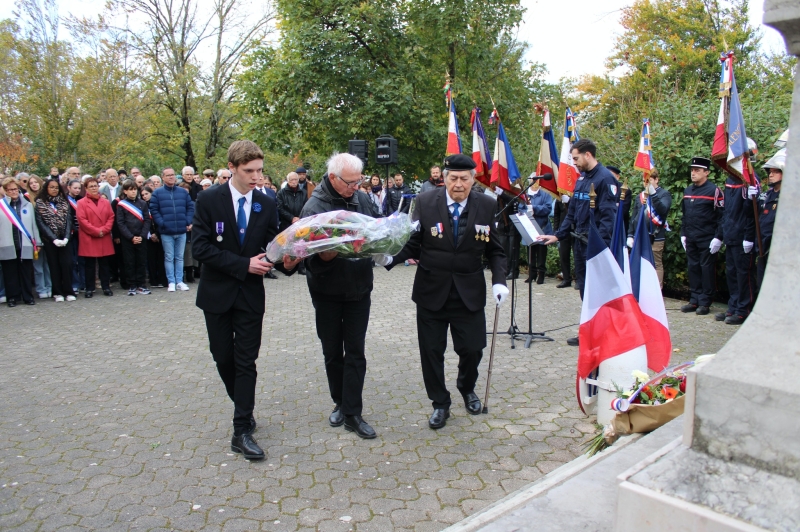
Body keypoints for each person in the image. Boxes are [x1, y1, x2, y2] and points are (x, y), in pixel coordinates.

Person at [377, 154, 508, 429]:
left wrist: (499, 280)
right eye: (453, 178)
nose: (458, 184)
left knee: (473, 349)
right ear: (444, 178)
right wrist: (391, 258)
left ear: (473, 179)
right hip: (431, 291)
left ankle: (466, 386)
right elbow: (414, 243)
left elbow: (495, 249)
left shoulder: (487, 204)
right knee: (431, 352)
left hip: (469, 292)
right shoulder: (425, 202)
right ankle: (440, 403)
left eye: (464, 178)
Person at [193, 140, 299, 460]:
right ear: (232, 169)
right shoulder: (209, 199)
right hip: (217, 294)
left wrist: (290, 258)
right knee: (223, 357)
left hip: (251, 296)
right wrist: (243, 265)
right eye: (249, 171)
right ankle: (243, 405)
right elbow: (201, 249)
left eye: (260, 171)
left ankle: (241, 429)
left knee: (245, 361)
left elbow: (272, 245)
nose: (257, 177)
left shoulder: (266, 203)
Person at [300, 153, 380, 439]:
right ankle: (339, 401)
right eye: (350, 183)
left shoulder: (363, 199)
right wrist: (327, 255)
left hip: (360, 288)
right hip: (327, 291)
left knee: (356, 351)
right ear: (333, 178)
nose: (355, 187)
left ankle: (353, 412)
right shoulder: (314, 206)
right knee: (333, 352)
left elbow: (376, 229)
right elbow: (305, 258)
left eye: (359, 181)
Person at [537, 139, 619, 346]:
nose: (574, 163)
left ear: (587, 155)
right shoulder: (582, 179)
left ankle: (603, 334)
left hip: (595, 245)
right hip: (580, 242)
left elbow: (608, 219)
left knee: (598, 291)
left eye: (575, 158)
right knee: (584, 288)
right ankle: (589, 331)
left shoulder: (605, 179)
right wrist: (558, 234)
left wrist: (600, 247)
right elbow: (572, 212)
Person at [717, 140, 759, 325]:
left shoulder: (750, 179)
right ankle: (733, 306)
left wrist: (749, 237)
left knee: (744, 275)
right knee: (732, 273)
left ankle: (743, 309)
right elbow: (727, 211)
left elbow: (752, 214)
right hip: (731, 235)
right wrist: (720, 235)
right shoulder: (730, 180)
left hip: (743, 236)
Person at [680, 157, 724, 316]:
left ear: (707, 172)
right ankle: (695, 298)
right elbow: (685, 215)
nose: (693, 173)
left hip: (707, 237)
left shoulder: (714, 191)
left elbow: (721, 216)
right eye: (692, 170)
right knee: (693, 267)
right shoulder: (687, 191)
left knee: (706, 269)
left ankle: (705, 301)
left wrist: (718, 237)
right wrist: (683, 233)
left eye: (697, 170)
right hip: (691, 236)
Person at [149, 167, 194, 292]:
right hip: (166, 231)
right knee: (169, 257)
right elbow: (154, 210)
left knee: (179, 257)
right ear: (163, 177)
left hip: (181, 229)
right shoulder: (157, 193)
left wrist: (187, 221)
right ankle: (171, 282)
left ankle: (179, 281)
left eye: (173, 175)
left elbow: (190, 207)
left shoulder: (183, 192)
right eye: (168, 175)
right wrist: (162, 223)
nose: (171, 177)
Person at [627, 169, 672, 288]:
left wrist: (653, 195)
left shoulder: (664, 194)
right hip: (640, 235)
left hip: (656, 235)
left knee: (656, 264)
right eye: (644, 181)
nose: (646, 183)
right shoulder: (640, 196)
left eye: (649, 180)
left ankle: (657, 290)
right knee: (641, 262)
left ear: (656, 180)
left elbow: (663, 210)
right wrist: (630, 235)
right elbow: (634, 217)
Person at [0, 177, 40, 306]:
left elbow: (34, 225)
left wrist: (37, 242)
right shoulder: (1, 206)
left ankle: (28, 296)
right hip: (7, 243)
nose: (13, 192)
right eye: (10, 190)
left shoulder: (27, 204)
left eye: (15, 189)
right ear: (5, 191)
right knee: (10, 273)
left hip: (25, 243)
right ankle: (13, 297)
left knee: (26, 272)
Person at [34, 178, 76, 302]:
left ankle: (68, 291)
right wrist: (53, 239)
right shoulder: (40, 203)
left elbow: (69, 220)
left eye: (56, 187)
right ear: (46, 188)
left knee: (67, 264)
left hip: (65, 238)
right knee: (54, 265)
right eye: (51, 187)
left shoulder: (64, 202)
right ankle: (57, 292)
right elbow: (41, 223)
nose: (54, 189)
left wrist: (67, 237)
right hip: (50, 240)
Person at [77, 177, 116, 297]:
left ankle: (106, 287)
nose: (94, 188)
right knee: (89, 265)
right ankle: (90, 288)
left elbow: (111, 217)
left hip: (103, 236)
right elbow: (82, 220)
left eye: (95, 185)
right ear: (86, 189)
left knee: (104, 264)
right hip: (89, 237)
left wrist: (104, 230)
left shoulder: (105, 202)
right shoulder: (81, 203)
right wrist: (96, 231)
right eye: (91, 186)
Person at [116, 180, 151, 295]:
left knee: (141, 261)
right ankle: (132, 285)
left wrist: (142, 235)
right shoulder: (121, 205)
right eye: (130, 190)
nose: (133, 192)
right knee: (129, 262)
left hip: (141, 237)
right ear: (125, 191)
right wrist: (131, 237)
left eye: (135, 189)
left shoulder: (143, 204)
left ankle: (141, 284)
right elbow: (120, 223)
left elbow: (147, 220)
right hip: (128, 238)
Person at [756, 149, 784, 290]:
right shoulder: (767, 195)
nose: (771, 174)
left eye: (775, 171)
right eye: (769, 172)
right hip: (764, 248)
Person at [527, 179, 553, 284]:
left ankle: (541, 274)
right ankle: (532, 274)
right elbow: (521, 207)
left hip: (542, 226)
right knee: (531, 252)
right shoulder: (526, 194)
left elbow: (548, 208)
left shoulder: (545, 193)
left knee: (541, 252)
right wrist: (526, 210)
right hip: (529, 226)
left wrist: (534, 208)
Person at [141, 186, 168, 288]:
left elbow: (160, 219)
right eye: (142, 195)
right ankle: (153, 280)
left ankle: (163, 279)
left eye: (146, 194)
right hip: (148, 235)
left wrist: (157, 233)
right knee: (151, 259)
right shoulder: (142, 206)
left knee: (161, 257)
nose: (144, 196)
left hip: (160, 233)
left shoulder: (158, 205)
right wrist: (149, 234)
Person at [66, 179, 85, 293]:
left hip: (83, 233)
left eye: (79, 188)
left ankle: (83, 283)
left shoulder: (81, 200)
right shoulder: (65, 201)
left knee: (83, 260)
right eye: (75, 188)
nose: (77, 190)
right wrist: (74, 228)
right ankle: (75, 283)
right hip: (72, 234)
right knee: (73, 261)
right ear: (69, 187)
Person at [553, 196, 573, 288]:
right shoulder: (559, 198)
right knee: (564, 256)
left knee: (577, 255)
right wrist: (556, 230)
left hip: (575, 229)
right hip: (563, 230)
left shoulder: (574, 197)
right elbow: (556, 215)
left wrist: (569, 202)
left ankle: (578, 279)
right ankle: (566, 279)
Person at [607, 166, 632, 232]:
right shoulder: (603, 188)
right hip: (605, 226)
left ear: (617, 177)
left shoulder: (625, 191)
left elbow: (624, 211)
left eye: (611, 175)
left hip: (619, 227)